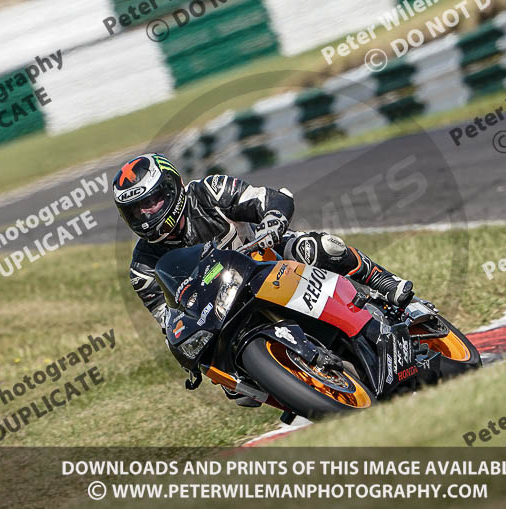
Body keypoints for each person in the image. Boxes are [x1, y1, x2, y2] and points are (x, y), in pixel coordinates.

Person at [113, 153, 414, 402]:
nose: (146, 215)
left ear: (172, 188)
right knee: (236, 390)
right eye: (135, 211)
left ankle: (383, 281)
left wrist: (273, 220)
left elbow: (267, 198)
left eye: (151, 202)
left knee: (318, 247)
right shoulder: (142, 269)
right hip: (221, 311)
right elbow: (169, 321)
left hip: (266, 259)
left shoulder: (209, 192)